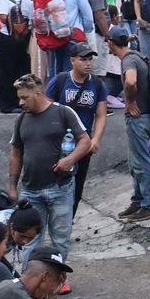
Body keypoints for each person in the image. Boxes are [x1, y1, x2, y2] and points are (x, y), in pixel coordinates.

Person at [9, 73, 91, 270]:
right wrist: (12, 187)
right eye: (19, 97)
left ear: (38, 94)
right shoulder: (22, 119)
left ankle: (56, 277)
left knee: (60, 238)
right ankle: (29, 280)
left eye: (24, 97)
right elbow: (15, 154)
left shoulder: (63, 113)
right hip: (30, 190)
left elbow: (85, 140)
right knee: (30, 238)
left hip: (60, 188)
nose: (20, 102)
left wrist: (69, 160)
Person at [45, 43, 108, 216]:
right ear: (72, 60)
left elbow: (101, 115)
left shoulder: (97, 84)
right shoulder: (59, 81)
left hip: (83, 145)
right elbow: (46, 110)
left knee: (77, 188)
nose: (88, 63)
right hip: (58, 144)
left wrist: (96, 139)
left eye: (90, 59)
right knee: (53, 185)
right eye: (83, 59)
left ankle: (68, 224)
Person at [108, 27, 150, 222]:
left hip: (138, 118)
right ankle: (138, 200)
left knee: (141, 163)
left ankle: (149, 204)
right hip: (147, 117)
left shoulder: (128, 60)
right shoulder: (137, 55)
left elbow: (130, 81)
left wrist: (129, 101)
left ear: (111, 43)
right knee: (135, 162)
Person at [0, 0, 32, 114]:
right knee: (7, 71)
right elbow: (2, 17)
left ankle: (19, 100)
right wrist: (17, 21)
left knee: (20, 70)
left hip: (21, 38)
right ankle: (6, 103)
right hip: (8, 38)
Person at [2, 200, 43, 276]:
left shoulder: (14, 223)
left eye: (31, 238)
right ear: (12, 227)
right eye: (23, 236)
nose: (25, 242)